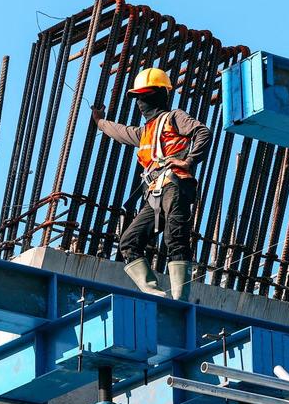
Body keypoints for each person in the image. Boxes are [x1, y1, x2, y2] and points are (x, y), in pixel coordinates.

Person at [90, 67, 212, 300]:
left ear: (160, 95)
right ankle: (157, 295)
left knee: (175, 238)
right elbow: (120, 131)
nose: (141, 102)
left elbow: (202, 132)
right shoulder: (144, 132)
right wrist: (99, 121)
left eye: (144, 96)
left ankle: (180, 301)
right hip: (154, 192)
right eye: (138, 97)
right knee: (129, 242)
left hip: (175, 184)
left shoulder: (173, 117)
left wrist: (188, 161)